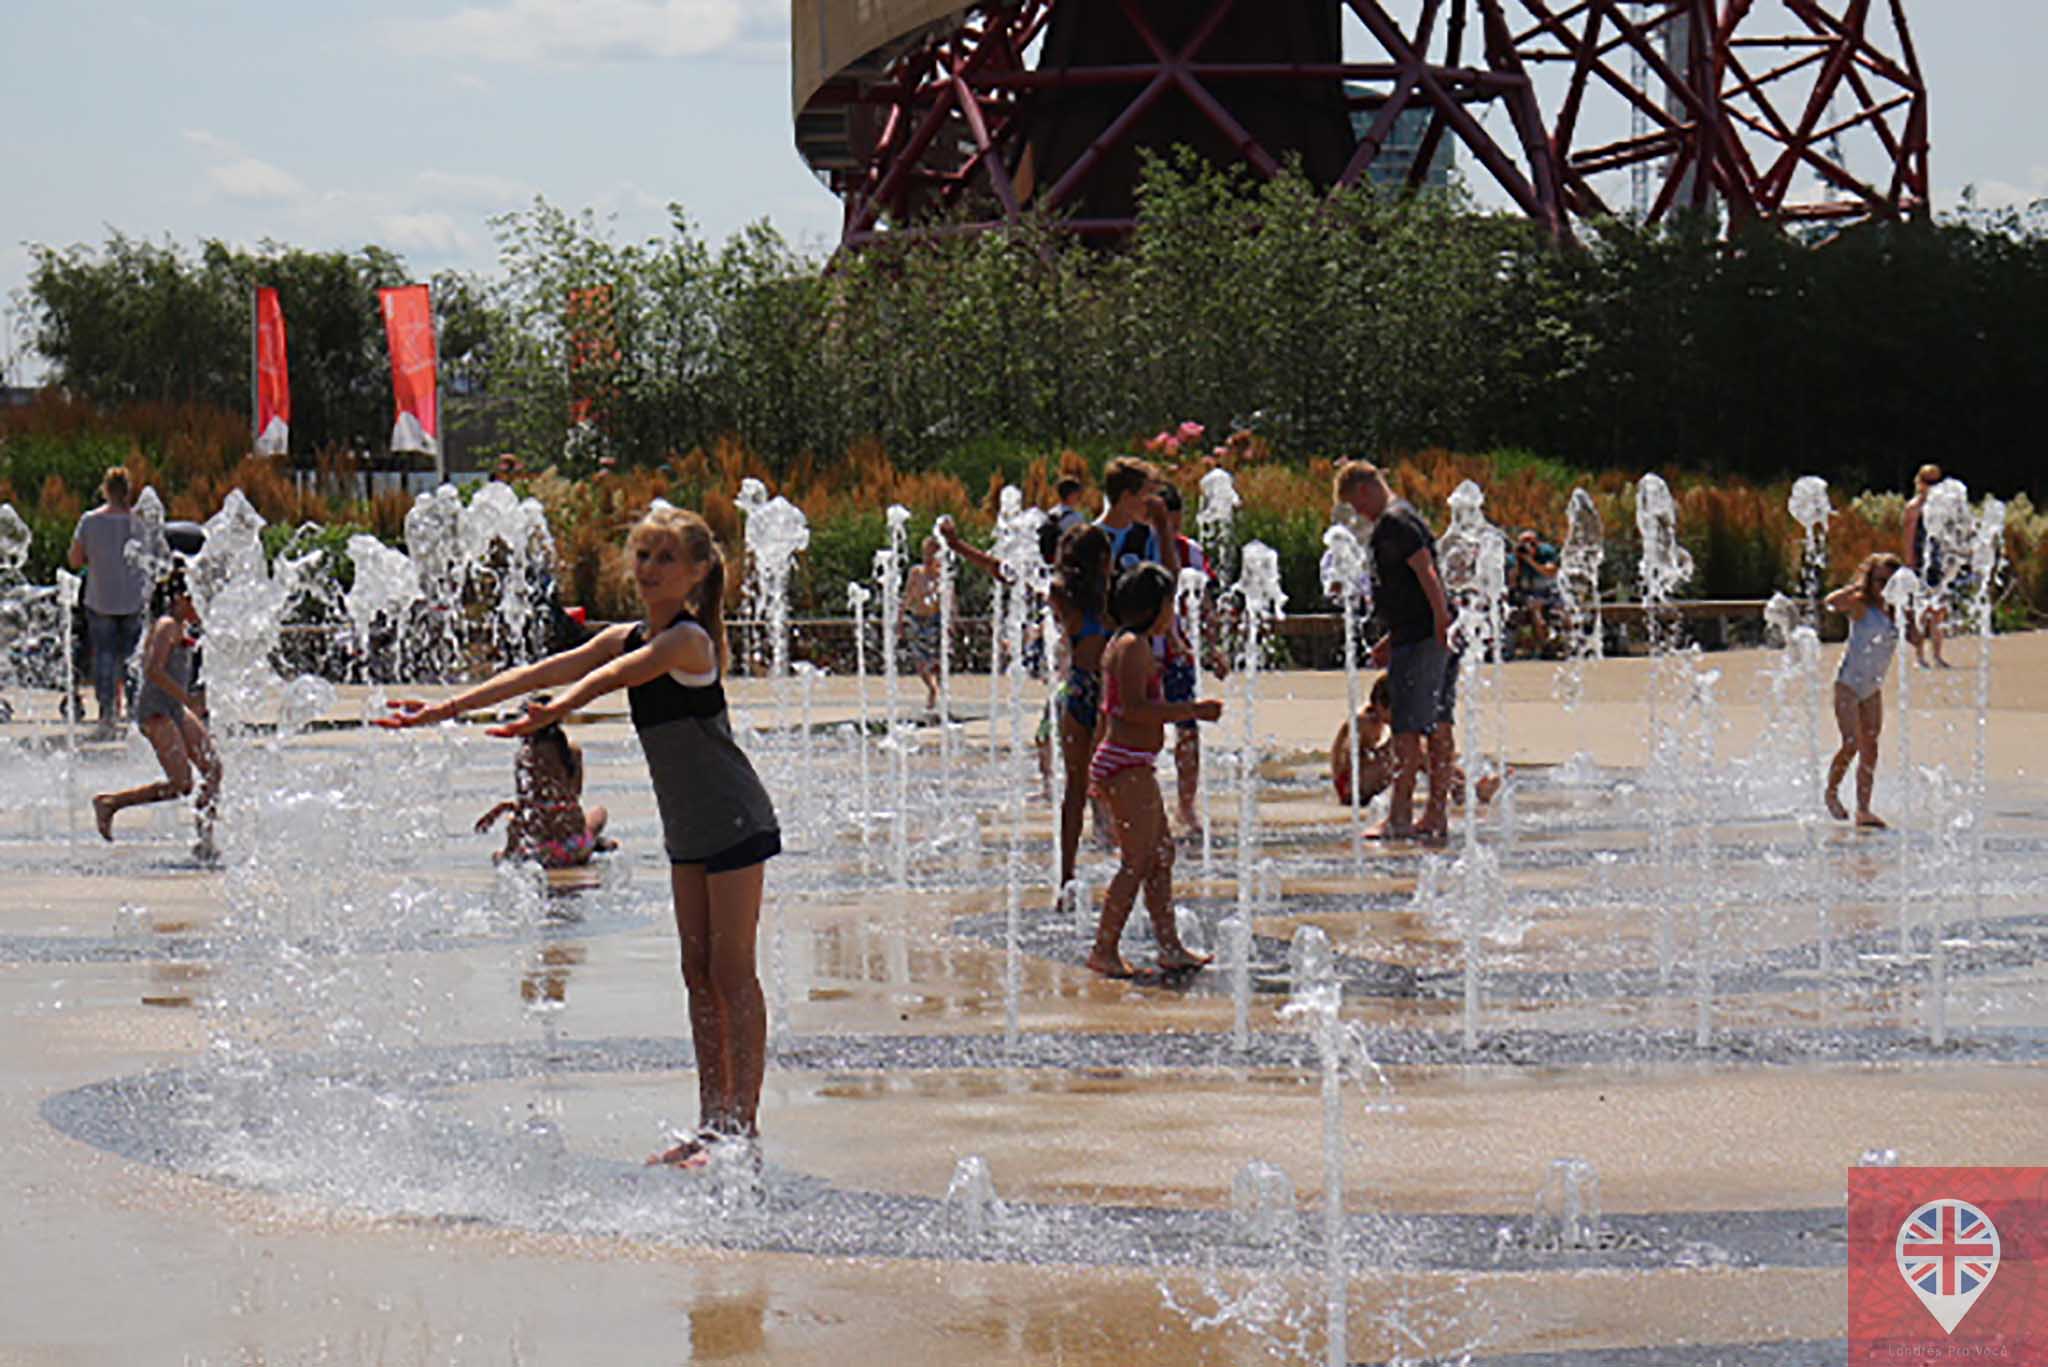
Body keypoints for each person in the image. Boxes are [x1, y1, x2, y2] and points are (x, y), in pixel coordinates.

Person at [380, 504, 780, 1171]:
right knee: (696, 971)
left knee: (732, 971)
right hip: (689, 825)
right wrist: (445, 708)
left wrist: (561, 710)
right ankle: (711, 1123)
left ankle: (743, 1124)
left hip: (735, 816)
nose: (650, 569)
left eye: (666, 559)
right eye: (644, 556)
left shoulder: (687, 642)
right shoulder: (627, 635)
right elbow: (546, 670)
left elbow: (608, 680)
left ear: (698, 573)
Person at [1086, 563, 1221, 980]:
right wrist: (1193, 710)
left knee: (1161, 854)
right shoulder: (1132, 648)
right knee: (1139, 858)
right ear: (1154, 607)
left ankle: (1170, 946)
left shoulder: (1130, 642)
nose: (1173, 614)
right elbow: (1134, 710)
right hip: (1125, 764)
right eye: (1169, 605)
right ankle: (1104, 949)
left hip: (1131, 762)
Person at [1333, 460, 1454, 844]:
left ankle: (1400, 816)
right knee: (1437, 725)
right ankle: (1435, 815)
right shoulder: (1406, 517)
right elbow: (1415, 583)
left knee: (1407, 728)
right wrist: (1396, 637)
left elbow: (1427, 572)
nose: (1358, 514)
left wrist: (1439, 621)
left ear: (1367, 489)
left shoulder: (1394, 524)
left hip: (1423, 639)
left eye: (1355, 504)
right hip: (1422, 634)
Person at [90, 568, 220, 859]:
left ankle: (205, 840)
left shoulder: (183, 627)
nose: (203, 605)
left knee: (213, 771)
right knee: (181, 784)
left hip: (175, 708)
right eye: (197, 598)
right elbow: (152, 669)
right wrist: (186, 697)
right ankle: (110, 803)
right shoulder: (166, 626)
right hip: (156, 711)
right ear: (182, 598)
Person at [475, 696, 612, 868]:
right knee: (599, 812)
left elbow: (526, 804)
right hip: (576, 846)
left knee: (504, 843)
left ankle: (509, 855)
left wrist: (500, 809)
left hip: (541, 852)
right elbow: (575, 792)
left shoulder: (525, 756)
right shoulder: (572, 750)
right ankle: (591, 844)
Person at [1331, 674, 1500, 809]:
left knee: (1415, 746)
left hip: (1361, 778)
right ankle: (1464, 790)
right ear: (1381, 706)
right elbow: (1346, 759)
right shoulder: (1364, 721)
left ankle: (1464, 785)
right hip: (1350, 786)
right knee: (1409, 748)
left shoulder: (1375, 719)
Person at [67, 467, 151, 734]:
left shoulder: (89, 521)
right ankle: (137, 712)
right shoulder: (140, 522)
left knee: (104, 655)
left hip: (100, 596)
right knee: (132, 658)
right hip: (133, 598)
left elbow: (75, 559)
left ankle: (107, 714)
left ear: (105, 490)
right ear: (129, 491)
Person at [1824, 552, 1904, 829]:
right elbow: (1831, 602)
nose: (1883, 586)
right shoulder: (1861, 607)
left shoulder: (1897, 613)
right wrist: (1858, 587)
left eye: (1889, 581)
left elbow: (1916, 637)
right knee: (1851, 743)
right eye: (1879, 580)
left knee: (1870, 748)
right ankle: (1831, 793)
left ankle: (1863, 810)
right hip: (1848, 685)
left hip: (1872, 689)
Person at [1900, 463, 1951, 668]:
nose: (1933, 486)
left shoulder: (1942, 507)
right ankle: (1920, 655)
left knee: (1939, 610)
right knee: (1921, 610)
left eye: (1936, 482)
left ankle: (1937, 654)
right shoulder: (1914, 508)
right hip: (1921, 563)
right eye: (1929, 481)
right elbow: (1909, 538)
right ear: (1919, 483)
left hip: (1939, 563)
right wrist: (1909, 564)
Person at [901, 535, 944, 711]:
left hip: (935, 620)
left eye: (931, 554)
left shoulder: (942, 575)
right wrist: (900, 618)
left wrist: (952, 622)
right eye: (925, 554)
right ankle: (931, 687)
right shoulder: (916, 573)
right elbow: (907, 596)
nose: (927, 558)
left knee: (937, 660)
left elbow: (950, 600)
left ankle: (938, 691)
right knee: (919, 660)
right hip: (917, 619)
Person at [1510, 528, 1562, 655]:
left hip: (1550, 592)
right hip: (1529, 595)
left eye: (1531, 543)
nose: (1528, 546)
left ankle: (1564, 643)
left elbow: (1550, 571)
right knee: (1535, 610)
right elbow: (1512, 582)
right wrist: (1518, 562)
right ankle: (1545, 645)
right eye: (1524, 543)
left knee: (1565, 612)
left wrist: (1531, 560)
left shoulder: (1546, 552)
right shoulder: (1516, 557)